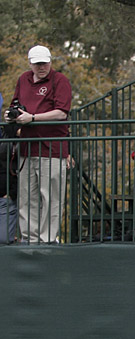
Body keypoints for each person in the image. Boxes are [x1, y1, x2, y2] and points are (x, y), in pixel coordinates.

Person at [8, 45, 72, 244]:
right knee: (27, 197)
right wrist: (12, 115)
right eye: (37, 63)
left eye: (44, 62)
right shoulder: (23, 79)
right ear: (30, 63)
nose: (41, 67)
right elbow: (15, 104)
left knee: (51, 198)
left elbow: (61, 112)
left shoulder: (59, 80)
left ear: (50, 61)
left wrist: (33, 118)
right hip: (27, 148)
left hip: (52, 148)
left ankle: (47, 239)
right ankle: (29, 238)